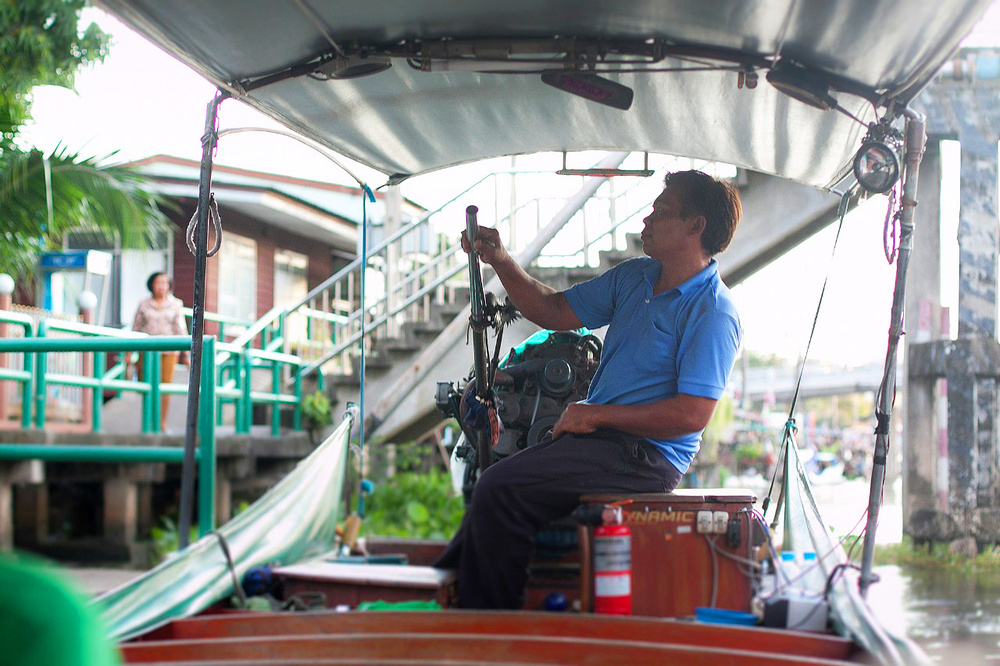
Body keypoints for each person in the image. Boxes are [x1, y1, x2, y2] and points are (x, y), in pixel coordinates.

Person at [434, 170, 743, 609]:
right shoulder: (635, 277)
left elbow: (690, 415)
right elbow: (555, 309)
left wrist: (593, 414)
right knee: (491, 483)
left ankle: (491, 634)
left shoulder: (713, 310)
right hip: (599, 443)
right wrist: (501, 260)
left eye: (662, 211)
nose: (648, 218)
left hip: (645, 458)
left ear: (696, 227)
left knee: (499, 489)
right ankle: (443, 598)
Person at [131, 272, 188, 431]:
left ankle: (162, 423)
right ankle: (148, 421)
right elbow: (136, 328)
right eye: (158, 282)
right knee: (147, 385)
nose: (162, 286)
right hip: (147, 350)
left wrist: (187, 354)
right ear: (152, 285)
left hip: (169, 351)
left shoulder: (176, 304)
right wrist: (130, 353)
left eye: (165, 283)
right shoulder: (144, 304)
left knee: (164, 387)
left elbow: (180, 328)